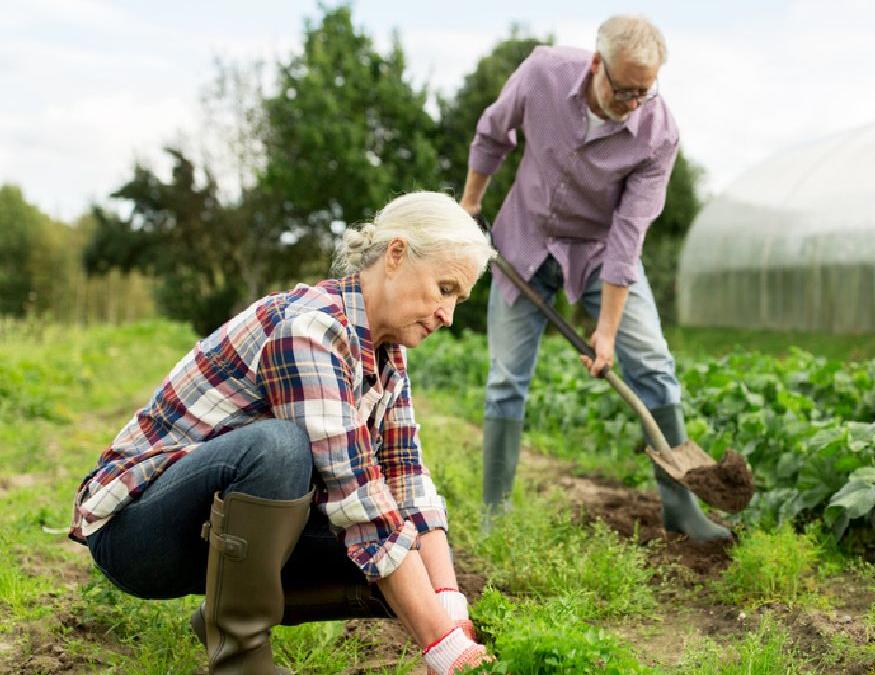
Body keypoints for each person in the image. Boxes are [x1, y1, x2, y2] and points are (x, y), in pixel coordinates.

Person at [69, 192, 495, 674]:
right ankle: (242, 661)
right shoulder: (311, 330)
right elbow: (360, 501)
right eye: (444, 288)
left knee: (410, 551)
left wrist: (451, 612)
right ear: (396, 255)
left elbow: (407, 478)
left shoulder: (386, 355)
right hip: (137, 532)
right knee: (280, 450)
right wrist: (442, 647)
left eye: (457, 298)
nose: (448, 314)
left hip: (214, 530)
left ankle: (226, 613)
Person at [460, 14, 730, 542]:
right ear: (596, 64)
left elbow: (629, 236)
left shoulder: (658, 133)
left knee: (652, 365)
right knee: (506, 380)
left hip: (600, 252)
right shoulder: (542, 74)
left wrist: (606, 330)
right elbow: (494, 133)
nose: (633, 102)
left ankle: (681, 509)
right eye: (623, 89)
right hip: (526, 237)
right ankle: (496, 514)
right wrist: (469, 206)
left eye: (644, 93)